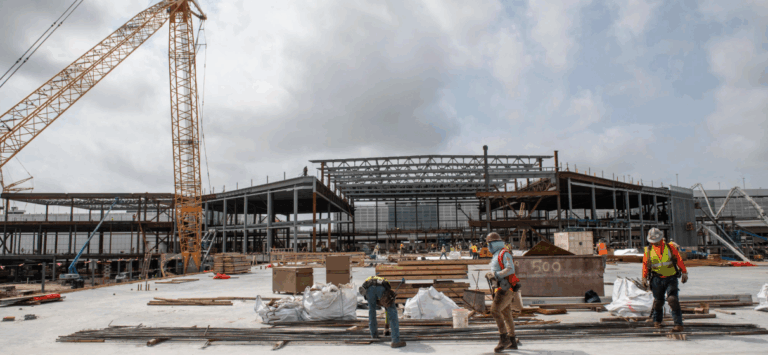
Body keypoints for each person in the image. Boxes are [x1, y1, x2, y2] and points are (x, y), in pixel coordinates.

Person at [642, 228, 688, 332]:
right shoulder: (648, 250)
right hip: (656, 278)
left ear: (661, 238)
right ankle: (657, 321)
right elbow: (645, 265)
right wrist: (644, 277)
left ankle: (678, 324)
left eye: (657, 241)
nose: (655, 243)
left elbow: (678, 259)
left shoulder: (670, 247)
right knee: (658, 301)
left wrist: (684, 271)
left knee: (672, 300)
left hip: (670, 277)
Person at [484, 232, 523, 352]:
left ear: (494, 243)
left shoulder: (504, 253)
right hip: (501, 287)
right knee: (506, 313)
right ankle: (512, 341)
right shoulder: (497, 254)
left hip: (505, 288)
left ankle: (504, 339)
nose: (488, 246)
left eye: (489, 244)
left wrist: (495, 274)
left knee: (495, 310)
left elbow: (510, 269)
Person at [360, 276, 406, 348]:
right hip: (380, 288)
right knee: (392, 310)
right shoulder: (385, 282)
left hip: (368, 288)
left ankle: (374, 335)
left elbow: (367, 294)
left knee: (371, 311)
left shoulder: (369, 279)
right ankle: (395, 341)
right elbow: (387, 300)